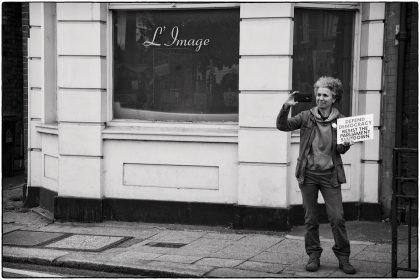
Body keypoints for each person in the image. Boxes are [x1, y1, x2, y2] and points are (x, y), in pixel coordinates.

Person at [276, 76, 356, 274]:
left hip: (330, 175)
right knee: (311, 219)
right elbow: (282, 126)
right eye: (318, 94)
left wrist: (347, 142)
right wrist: (286, 107)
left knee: (337, 218)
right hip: (308, 175)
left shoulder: (342, 120)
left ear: (334, 97)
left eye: (325, 95)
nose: (320, 98)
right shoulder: (306, 116)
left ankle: (343, 257)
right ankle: (313, 255)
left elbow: (341, 150)